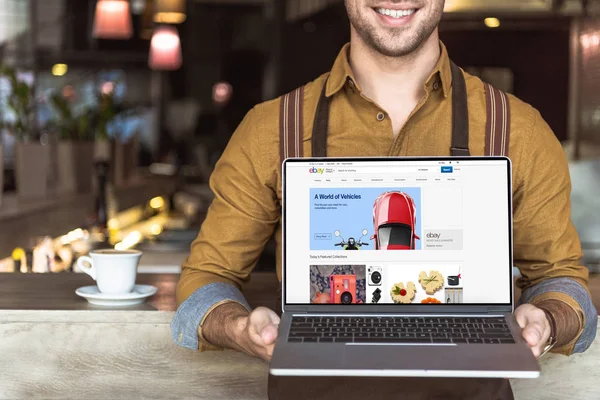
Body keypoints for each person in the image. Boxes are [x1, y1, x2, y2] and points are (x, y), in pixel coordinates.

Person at [171, 0, 596, 367]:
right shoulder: (271, 129)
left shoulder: (518, 129)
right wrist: (241, 328)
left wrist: (549, 320)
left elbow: (561, 278)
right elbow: (205, 280)